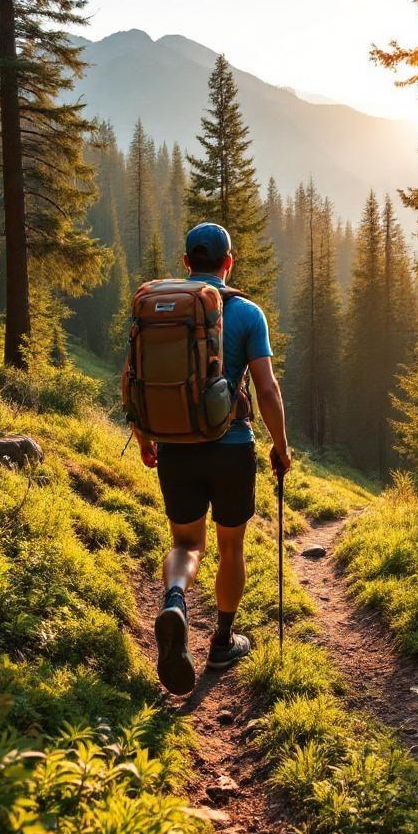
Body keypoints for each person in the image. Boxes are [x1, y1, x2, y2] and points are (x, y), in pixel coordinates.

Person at [133, 222, 291, 696]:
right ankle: (222, 640)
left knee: (185, 544)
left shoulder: (156, 310)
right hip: (231, 447)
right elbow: (266, 388)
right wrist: (281, 448)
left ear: (186, 263)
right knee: (231, 547)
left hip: (176, 446)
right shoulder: (245, 312)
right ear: (229, 261)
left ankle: (176, 601)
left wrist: (145, 436)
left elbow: (135, 378)